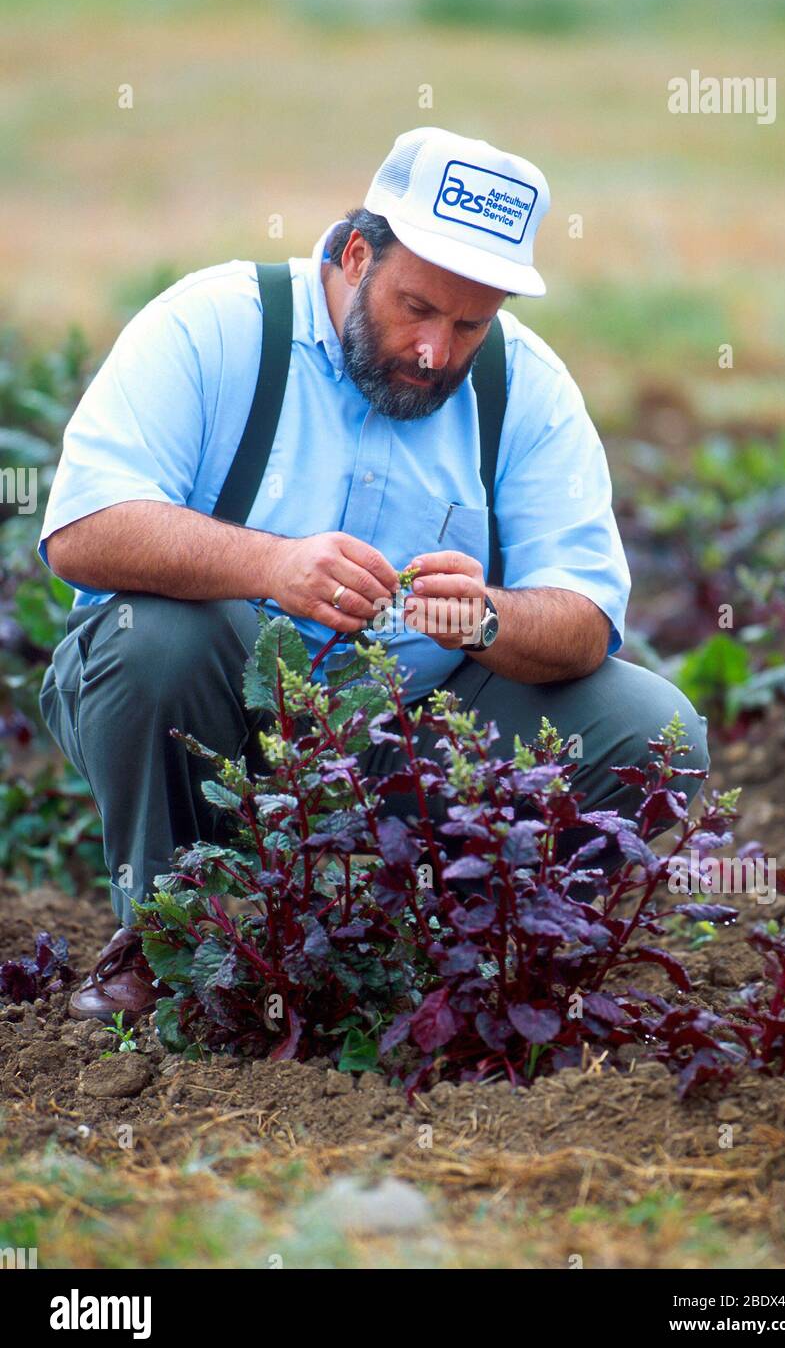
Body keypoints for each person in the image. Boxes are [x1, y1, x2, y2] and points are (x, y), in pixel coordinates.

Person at [37, 127, 709, 1022]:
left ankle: (450, 959)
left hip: (405, 745)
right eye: (417, 308)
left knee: (655, 729)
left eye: (471, 323)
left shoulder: (527, 392)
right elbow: (84, 528)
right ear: (356, 254)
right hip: (210, 724)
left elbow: (586, 617)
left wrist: (487, 618)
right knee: (154, 636)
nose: (437, 350)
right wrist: (270, 564)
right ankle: (168, 952)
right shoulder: (214, 326)